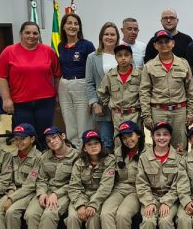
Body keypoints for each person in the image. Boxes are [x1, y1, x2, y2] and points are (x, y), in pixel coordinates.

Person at [25, 126, 80, 229]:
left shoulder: (76, 156)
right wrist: (42, 193)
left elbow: (76, 182)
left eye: (55, 138)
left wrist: (56, 193)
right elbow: (41, 179)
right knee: (31, 214)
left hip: (65, 192)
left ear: (63, 136)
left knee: (49, 214)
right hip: (46, 192)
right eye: (48, 141)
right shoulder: (45, 156)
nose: (52, 142)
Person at [0, 21, 60, 149]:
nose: (31, 36)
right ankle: (28, 160)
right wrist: (6, 99)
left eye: (35, 33)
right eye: (27, 32)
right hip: (20, 103)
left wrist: (57, 96)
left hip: (45, 102)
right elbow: (1, 77)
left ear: (39, 35)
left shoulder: (48, 51)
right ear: (21, 34)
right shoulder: (9, 51)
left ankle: (44, 158)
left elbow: (57, 76)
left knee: (44, 136)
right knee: (25, 137)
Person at [65, 130, 116, 229]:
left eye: (96, 143)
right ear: (84, 148)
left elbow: (106, 186)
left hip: (99, 197)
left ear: (101, 144)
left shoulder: (109, 160)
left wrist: (93, 204)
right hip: (80, 196)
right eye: (89, 144)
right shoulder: (79, 162)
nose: (93, 146)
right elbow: (74, 186)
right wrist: (80, 205)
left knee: (93, 217)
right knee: (72, 218)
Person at [136, 121, 180, 229]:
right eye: (158, 134)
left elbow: (179, 184)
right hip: (151, 197)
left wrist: (167, 201)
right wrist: (148, 202)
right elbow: (141, 183)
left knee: (165, 222)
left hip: (170, 198)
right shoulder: (144, 157)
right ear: (153, 137)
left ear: (170, 137)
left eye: (165, 134)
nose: (162, 138)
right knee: (147, 222)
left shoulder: (178, 157)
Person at [140, 30, 193, 153]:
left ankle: (180, 166)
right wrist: (147, 116)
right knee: (160, 147)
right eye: (160, 42)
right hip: (158, 111)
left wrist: (191, 112)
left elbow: (191, 90)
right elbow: (144, 92)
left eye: (167, 41)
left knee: (180, 147)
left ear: (173, 43)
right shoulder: (149, 66)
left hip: (179, 112)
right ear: (155, 46)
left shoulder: (183, 63)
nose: (164, 44)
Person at [101, 121, 144, 229]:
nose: (128, 140)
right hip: (119, 188)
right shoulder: (117, 152)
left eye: (130, 135)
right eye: (124, 138)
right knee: (105, 214)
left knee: (122, 215)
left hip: (137, 190)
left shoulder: (148, 151)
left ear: (138, 134)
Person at [56, 13, 96, 147]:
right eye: (69, 23)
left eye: (76, 24)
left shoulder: (87, 45)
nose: (73, 26)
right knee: (69, 120)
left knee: (84, 121)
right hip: (64, 85)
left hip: (81, 84)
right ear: (63, 26)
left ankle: (85, 148)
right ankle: (73, 149)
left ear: (79, 27)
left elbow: (93, 69)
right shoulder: (61, 45)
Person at [85, 22, 121, 150]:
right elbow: (89, 83)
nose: (109, 37)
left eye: (112, 34)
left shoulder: (124, 55)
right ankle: (108, 164)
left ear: (117, 37)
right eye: (106, 34)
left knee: (123, 140)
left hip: (122, 106)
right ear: (101, 37)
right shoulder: (92, 57)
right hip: (102, 107)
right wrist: (94, 103)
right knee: (106, 142)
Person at [97, 43, 142, 132]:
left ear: (131, 57)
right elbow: (101, 92)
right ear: (115, 58)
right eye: (119, 55)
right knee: (119, 139)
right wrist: (110, 104)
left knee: (136, 138)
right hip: (118, 116)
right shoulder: (110, 76)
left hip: (135, 115)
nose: (123, 58)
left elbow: (145, 93)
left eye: (126, 55)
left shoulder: (140, 74)